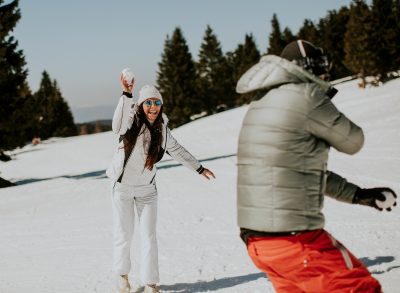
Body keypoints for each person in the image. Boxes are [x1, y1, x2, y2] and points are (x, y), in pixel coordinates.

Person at [235, 40, 397, 292]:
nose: (325, 74)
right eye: (321, 66)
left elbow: (299, 174)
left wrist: (357, 195)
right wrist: (321, 101)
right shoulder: (307, 96)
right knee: (361, 288)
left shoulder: (259, 104)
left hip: (259, 244)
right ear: (307, 68)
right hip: (296, 240)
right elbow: (354, 141)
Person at [106, 74, 215, 293]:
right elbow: (115, 126)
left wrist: (199, 168)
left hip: (147, 191)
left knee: (149, 237)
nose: (153, 107)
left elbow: (179, 151)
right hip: (122, 189)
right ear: (141, 105)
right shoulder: (130, 124)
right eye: (148, 102)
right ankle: (122, 277)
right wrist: (126, 94)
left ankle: (151, 283)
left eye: (157, 102)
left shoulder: (163, 131)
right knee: (124, 235)